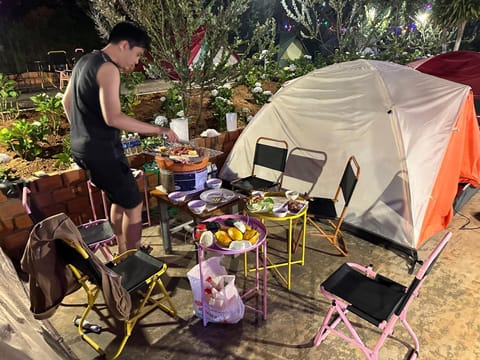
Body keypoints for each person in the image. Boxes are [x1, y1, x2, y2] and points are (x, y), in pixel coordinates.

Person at [62, 22, 178, 253]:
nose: (136, 63)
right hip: (104, 152)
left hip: (83, 150)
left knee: (119, 199)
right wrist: (159, 130)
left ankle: (122, 250)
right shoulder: (108, 68)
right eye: (137, 55)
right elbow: (113, 117)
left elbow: (66, 102)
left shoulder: (84, 62)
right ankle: (133, 259)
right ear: (125, 45)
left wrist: (84, 130)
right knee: (135, 205)